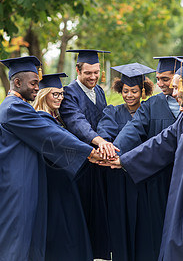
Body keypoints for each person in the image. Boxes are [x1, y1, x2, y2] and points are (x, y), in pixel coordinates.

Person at [0, 56, 102, 261]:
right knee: (18, 241)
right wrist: (89, 152)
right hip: (17, 187)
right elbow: (50, 134)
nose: (37, 87)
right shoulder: (13, 108)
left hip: (26, 182)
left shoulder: (20, 107)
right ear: (17, 83)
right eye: (33, 83)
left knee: (30, 240)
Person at [107, 58, 183, 261]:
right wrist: (121, 159)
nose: (172, 91)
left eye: (176, 86)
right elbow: (159, 143)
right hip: (178, 185)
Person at [60, 49, 118, 260]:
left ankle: (100, 254)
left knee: (101, 211)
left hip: (100, 162)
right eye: (88, 73)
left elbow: (106, 119)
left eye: (96, 72)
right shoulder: (69, 93)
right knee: (84, 211)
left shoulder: (100, 91)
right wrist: (100, 142)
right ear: (77, 70)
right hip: (81, 163)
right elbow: (77, 122)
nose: (93, 77)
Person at [97, 62, 155, 261]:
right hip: (118, 177)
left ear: (143, 91)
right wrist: (108, 148)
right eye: (125, 91)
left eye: (134, 91)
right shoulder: (112, 112)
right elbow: (104, 134)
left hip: (142, 177)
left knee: (143, 224)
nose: (129, 95)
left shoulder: (150, 111)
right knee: (120, 222)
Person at [32, 73, 93, 261]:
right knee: (61, 229)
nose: (59, 98)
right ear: (43, 94)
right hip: (53, 182)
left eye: (61, 94)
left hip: (67, 179)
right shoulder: (39, 120)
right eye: (54, 94)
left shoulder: (57, 118)